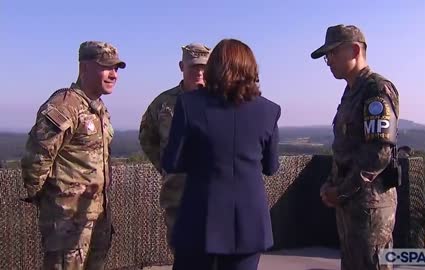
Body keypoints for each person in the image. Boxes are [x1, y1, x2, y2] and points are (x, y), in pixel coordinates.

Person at [162, 39, 281, 270]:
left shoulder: (188, 104)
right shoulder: (269, 110)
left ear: (213, 68)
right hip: (248, 224)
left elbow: (172, 162)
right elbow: (270, 166)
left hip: (199, 219)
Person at [21, 41, 126, 269]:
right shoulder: (64, 105)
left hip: (96, 218)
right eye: (106, 67)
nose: (114, 75)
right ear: (84, 68)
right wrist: (52, 203)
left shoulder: (98, 109)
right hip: (67, 222)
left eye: (116, 69)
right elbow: (36, 158)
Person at [311, 24, 399, 270]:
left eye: (333, 53)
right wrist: (331, 182)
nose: (328, 61)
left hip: (370, 209)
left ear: (355, 49)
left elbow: (378, 154)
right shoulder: (351, 92)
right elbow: (345, 148)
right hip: (351, 206)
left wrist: (341, 191)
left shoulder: (376, 89)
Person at [138, 42, 211, 247]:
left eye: (203, 66)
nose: (199, 71)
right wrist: (166, 167)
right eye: (193, 66)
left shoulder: (219, 99)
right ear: (182, 66)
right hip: (178, 194)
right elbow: (147, 137)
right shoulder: (164, 103)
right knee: (183, 254)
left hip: (214, 193)